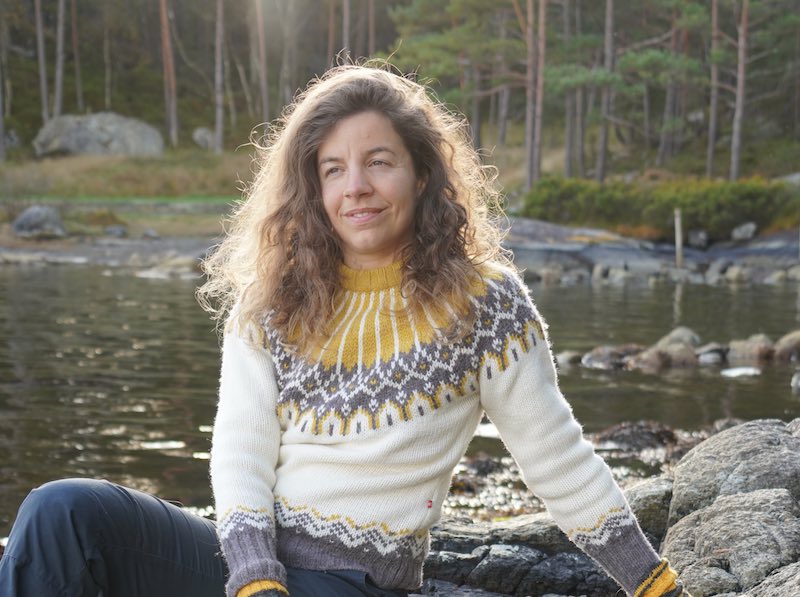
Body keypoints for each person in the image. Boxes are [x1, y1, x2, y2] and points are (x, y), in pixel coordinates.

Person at [0, 64, 690, 597]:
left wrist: (651, 580)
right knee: (60, 514)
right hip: (251, 567)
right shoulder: (272, 300)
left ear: (423, 176)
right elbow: (241, 452)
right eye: (334, 169)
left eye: (378, 161)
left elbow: (557, 458)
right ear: (314, 189)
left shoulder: (485, 302)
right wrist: (255, 574)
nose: (355, 185)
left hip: (352, 583)